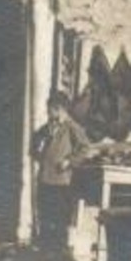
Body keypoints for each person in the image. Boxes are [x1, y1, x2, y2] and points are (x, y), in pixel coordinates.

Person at [34, 92, 92, 251]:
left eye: (50, 110)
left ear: (59, 109)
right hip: (45, 178)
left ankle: (59, 252)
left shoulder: (72, 127)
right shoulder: (47, 128)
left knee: (60, 217)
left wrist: (69, 161)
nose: (48, 113)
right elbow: (34, 143)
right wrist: (39, 154)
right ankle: (45, 249)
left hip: (62, 181)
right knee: (45, 214)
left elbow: (85, 148)